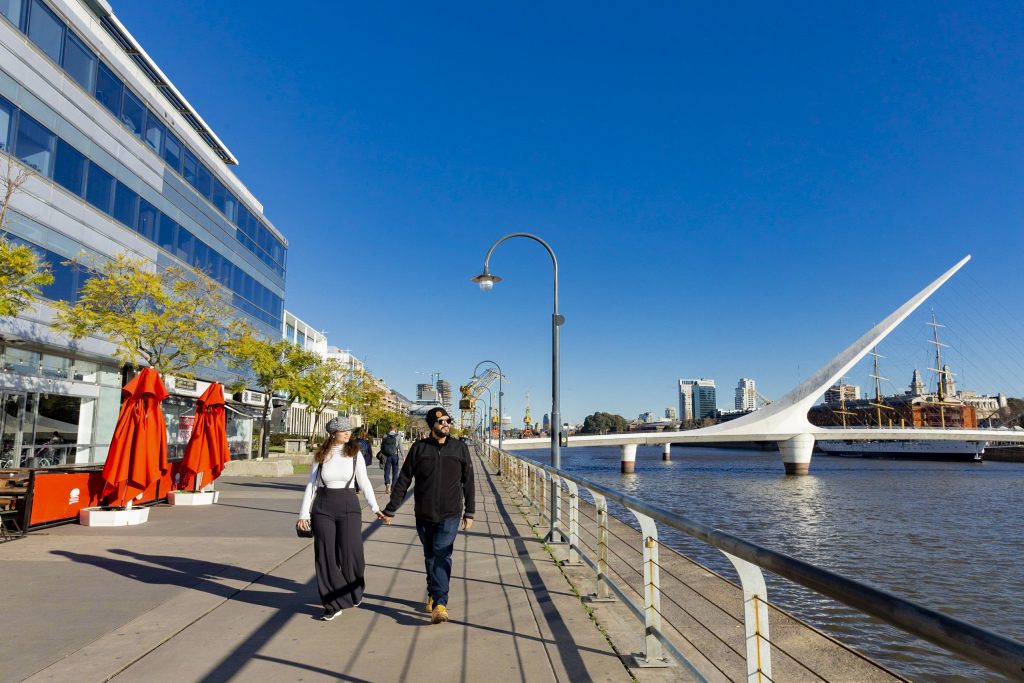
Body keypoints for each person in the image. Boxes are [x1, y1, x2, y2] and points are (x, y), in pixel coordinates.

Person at [381, 407, 474, 624]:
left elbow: (468, 481)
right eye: (441, 421)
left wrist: (469, 511)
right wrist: (391, 509)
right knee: (430, 556)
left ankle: (440, 603)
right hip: (423, 513)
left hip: (450, 513)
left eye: (448, 421)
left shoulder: (459, 448)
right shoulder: (419, 448)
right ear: (432, 425)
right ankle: (433, 592)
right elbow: (404, 479)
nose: (446, 424)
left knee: (442, 553)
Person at [296, 416, 386, 621]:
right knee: (325, 556)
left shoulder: (355, 454)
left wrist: (375, 507)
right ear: (332, 433)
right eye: (343, 431)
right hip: (323, 506)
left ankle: (354, 591)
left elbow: (364, 482)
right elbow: (312, 485)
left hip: (348, 506)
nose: (348, 434)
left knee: (351, 553)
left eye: (349, 431)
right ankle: (332, 603)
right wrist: (303, 514)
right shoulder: (321, 455)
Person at [380, 426, 402, 494]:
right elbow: (400, 446)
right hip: (395, 456)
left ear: (389, 429)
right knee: (395, 472)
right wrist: (403, 455)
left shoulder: (385, 436)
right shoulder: (398, 436)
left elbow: (382, 446)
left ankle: (387, 484)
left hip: (387, 456)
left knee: (387, 471)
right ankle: (393, 487)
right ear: (395, 429)